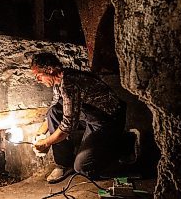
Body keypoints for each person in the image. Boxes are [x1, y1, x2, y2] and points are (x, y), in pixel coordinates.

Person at [31, 52, 127, 183]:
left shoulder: (70, 83)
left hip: (107, 120)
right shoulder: (58, 82)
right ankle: (64, 164)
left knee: (83, 167)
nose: (37, 80)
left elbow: (67, 126)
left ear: (50, 70)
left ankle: (121, 146)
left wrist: (46, 142)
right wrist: (40, 134)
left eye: (38, 76)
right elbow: (54, 110)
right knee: (53, 111)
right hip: (89, 115)